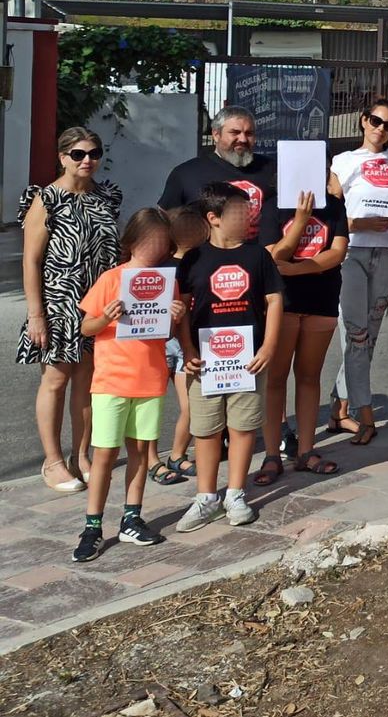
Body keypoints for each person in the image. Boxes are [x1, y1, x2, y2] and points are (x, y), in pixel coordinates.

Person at [18, 127, 123, 493]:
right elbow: (31, 262)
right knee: (56, 379)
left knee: (89, 381)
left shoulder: (107, 196)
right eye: (78, 154)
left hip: (98, 301)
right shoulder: (46, 199)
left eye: (93, 153)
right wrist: (36, 314)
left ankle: (82, 457)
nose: (87, 160)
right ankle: (53, 461)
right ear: (62, 157)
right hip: (59, 302)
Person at [174, 183, 283, 532]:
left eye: (248, 210)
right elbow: (183, 309)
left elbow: (274, 300)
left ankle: (236, 493)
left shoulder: (258, 256)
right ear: (214, 218)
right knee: (205, 430)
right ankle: (206, 497)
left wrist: (268, 347)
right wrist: (188, 348)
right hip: (205, 361)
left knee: (243, 425)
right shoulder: (193, 259)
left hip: (247, 360)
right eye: (238, 211)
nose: (247, 216)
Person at [72, 208, 176, 562]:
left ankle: (132, 517)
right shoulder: (111, 279)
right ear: (131, 240)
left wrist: (175, 318)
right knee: (104, 454)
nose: (156, 247)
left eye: (162, 241)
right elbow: (87, 328)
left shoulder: (166, 282)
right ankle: (92, 525)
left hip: (150, 380)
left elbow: (168, 332)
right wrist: (106, 317)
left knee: (141, 452)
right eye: (149, 240)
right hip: (111, 381)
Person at [326, 100, 388, 447]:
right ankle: (366, 414)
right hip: (352, 253)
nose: (381, 129)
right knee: (357, 334)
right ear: (364, 121)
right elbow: (329, 217)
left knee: (369, 334)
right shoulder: (343, 163)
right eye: (376, 121)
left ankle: (339, 408)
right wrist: (358, 223)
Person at [259, 187, 348, 481]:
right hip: (282, 304)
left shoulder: (334, 206)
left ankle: (306, 451)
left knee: (310, 377)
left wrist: (295, 270)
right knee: (276, 379)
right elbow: (273, 256)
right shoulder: (273, 206)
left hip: (322, 302)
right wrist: (300, 220)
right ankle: (272, 455)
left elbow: (336, 253)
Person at [148, 205, 209, 486]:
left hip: (185, 342)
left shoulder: (200, 263)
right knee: (151, 406)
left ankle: (176, 454)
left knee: (191, 406)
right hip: (160, 341)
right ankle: (152, 461)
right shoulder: (158, 265)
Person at [157, 106, 276, 242]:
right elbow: (164, 220)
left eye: (249, 133)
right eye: (235, 132)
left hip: (260, 259)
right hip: (203, 259)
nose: (243, 139)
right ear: (216, 135)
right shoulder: (185, 173)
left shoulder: (271, 169)